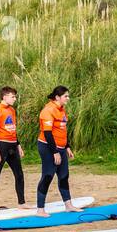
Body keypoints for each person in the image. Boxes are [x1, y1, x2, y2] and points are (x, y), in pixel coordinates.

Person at [0, 86, 28, 215]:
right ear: (4, 97)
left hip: (12, 146)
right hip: (1, 145)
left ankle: (22, 203)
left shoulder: (12, 110)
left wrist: (18, 145)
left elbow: (13, 129)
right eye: (12, 96)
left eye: (15, 96)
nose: (15, 99)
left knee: (19, 174)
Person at [35, 85, 77, 217]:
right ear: (57, 97)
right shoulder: (48, 110)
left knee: (64, 175)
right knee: (48, 176)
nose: (68, 98)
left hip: (61, 147)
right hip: (48, 147)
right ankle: (40, 209)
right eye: (66, 96)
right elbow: (47, 134)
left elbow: (62, 129)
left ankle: (69, 205)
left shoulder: (61, 109)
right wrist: (55, 152)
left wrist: (67, 146)